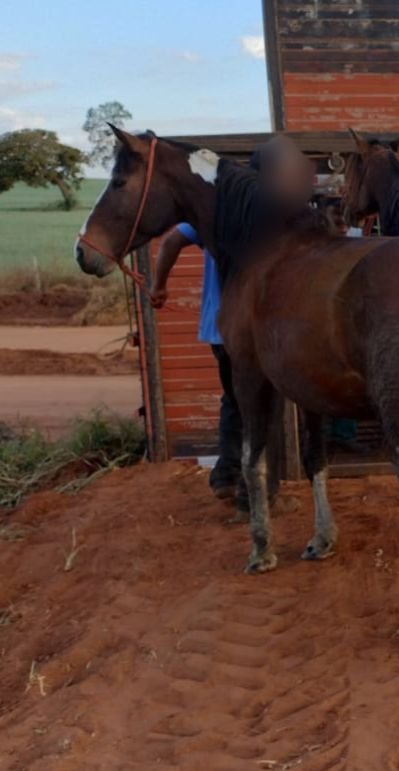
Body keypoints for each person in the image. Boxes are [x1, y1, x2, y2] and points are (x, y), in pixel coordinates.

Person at [149, 135, 315, 505]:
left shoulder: (220, 208)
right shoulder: (262, 211)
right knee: (256, 403)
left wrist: (159, 286)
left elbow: (173, 240)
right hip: (246, 325)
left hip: (219, 326)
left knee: (236, 401)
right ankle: (252, 488)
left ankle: (226, 475)